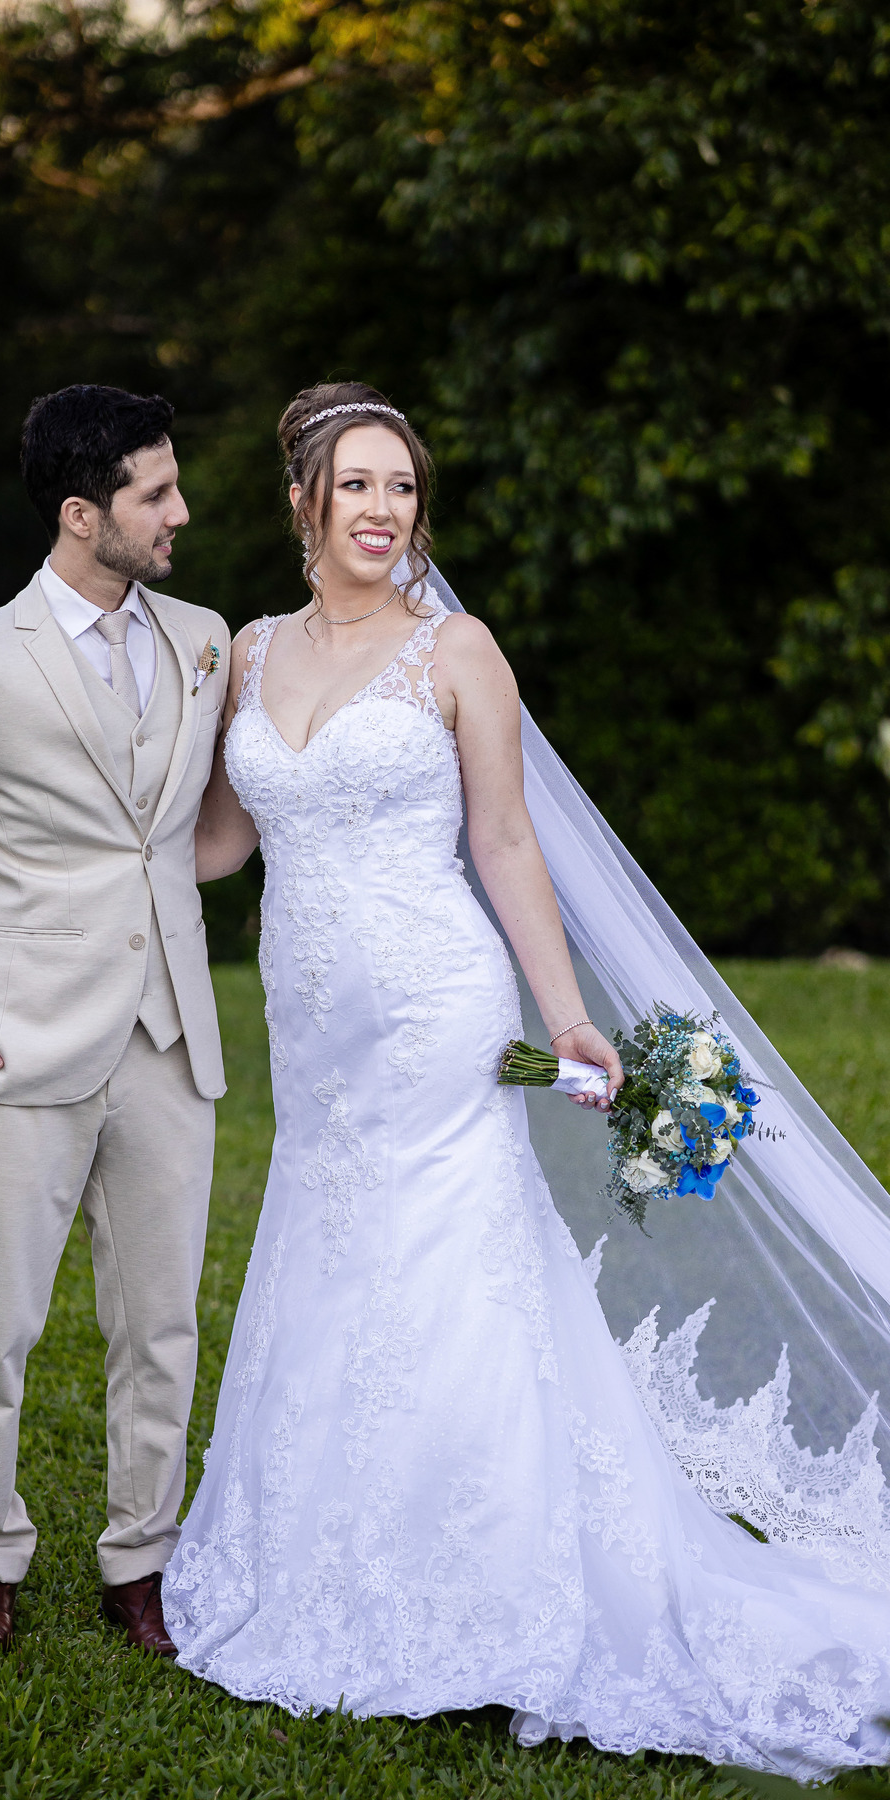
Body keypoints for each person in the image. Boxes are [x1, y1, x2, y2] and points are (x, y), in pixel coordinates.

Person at [158, 380, 890, 1773]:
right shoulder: (247, 655)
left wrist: (566, 1018)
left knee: (449, 1266)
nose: (384, 510)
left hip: (439, 1008)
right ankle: (331, 1556)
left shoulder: (458, 650)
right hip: (312, 1036)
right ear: (305, 501)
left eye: (403, 488)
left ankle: (488, 1583)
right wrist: (63, 863)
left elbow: (503, 843)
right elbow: (216, 844)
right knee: (331, 1254)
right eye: (359, 485)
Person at [0, 384, 230, 1658]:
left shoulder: (205, 641)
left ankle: (142, 1563)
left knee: (162, 1325)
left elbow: (189, 832)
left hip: (170, 1033)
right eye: (155, 494)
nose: (181, 512)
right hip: (16, 1037)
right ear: (82, 514)